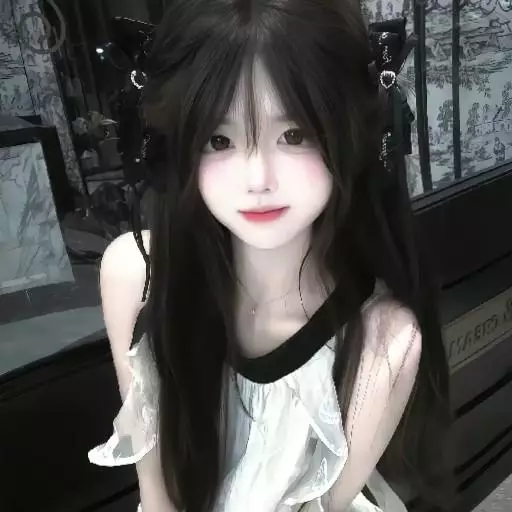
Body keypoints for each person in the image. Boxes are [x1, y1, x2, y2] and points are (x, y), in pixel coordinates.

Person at [88, 1, 453, 511]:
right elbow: (156, 491)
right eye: (219, 139)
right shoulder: (136, 274)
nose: (257, 179)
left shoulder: (383, 340)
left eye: (293, 134)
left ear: (351, 134)